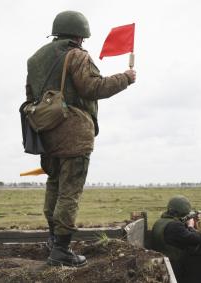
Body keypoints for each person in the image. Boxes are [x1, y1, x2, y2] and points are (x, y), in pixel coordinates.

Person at [25, 10, 136, 267]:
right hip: (73, 133)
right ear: (79, 35)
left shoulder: (35, 60)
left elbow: (30, 94)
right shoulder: (76, 56)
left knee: (53, 184)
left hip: (45, 132)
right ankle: (61, 251)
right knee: (69, 192)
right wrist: (126, 79)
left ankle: (54, 240)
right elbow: (93, 88)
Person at [152, 195, 201, 283]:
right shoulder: (175, 226)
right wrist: (191, 225)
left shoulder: (160, 222)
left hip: (162, 265)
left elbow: (176, 236)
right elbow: (196, 239)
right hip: (174, 268)